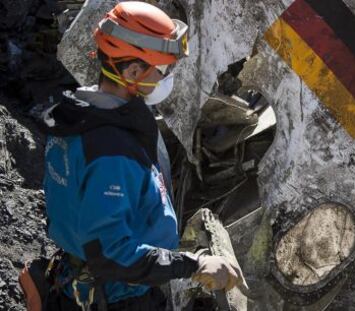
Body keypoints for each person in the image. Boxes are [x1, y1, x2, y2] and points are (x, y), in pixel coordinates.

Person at [19, 2, 243, 311]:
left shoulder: (77, 117)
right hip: (116, 298)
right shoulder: (111, 150)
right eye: (164, 69)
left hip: (80, 280)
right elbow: (112, 255)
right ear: (134, 71)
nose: (169, 77)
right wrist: (195, 265)